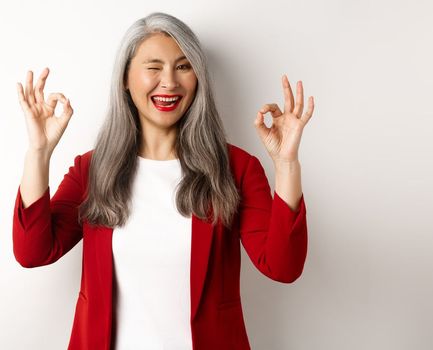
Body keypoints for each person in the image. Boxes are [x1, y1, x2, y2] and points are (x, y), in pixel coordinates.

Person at [12, 12, 314, 350]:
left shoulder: (235, 168)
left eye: (183, 67)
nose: (169, 82)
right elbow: (32, 253)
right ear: (125, 78)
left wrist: (287, 164)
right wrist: (38, 152)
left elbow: (283, 267)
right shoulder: (92, 170)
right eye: (153, 67)